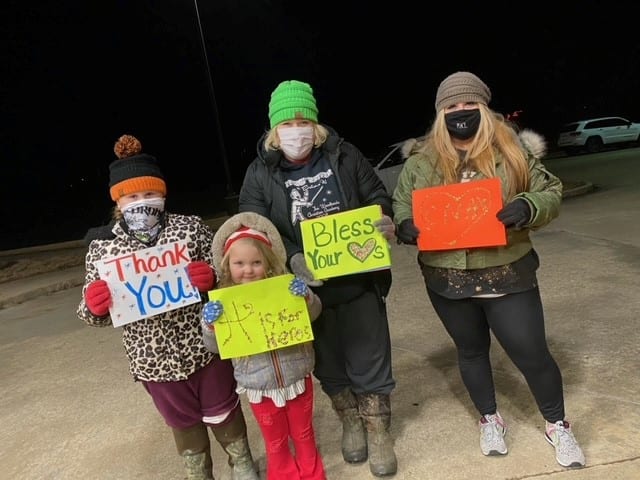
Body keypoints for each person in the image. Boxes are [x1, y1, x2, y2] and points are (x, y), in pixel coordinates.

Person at [392, 71, 586, 468]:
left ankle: (557, 424)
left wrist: (529, 205)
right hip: (446, 278)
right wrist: (404, 224)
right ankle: (489, 418)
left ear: (483, 108)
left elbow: (549, 190)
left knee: (531, 352)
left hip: (505, 271)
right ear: (440, 113)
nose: (460, 111)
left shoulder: (511, 152)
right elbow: (402, 202)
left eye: (469, 104)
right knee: (471, 351)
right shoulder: (421, 162)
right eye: (451, 106)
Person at [238, 79, 398, 478]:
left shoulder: (345, 155)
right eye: (287, 124)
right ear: (274, 130)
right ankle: (350, 421)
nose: (296, 131)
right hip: (306, 292)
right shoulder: (258, 173)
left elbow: (377, 195)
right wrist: (291, 257)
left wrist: (382, 218)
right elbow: (254, 227)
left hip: (359, 280)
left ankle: (378, 430)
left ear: (315, 125)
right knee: (327, 362)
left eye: (302, 122)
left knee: (370, 356)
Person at [76, 134, 259, 480]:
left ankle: (242, 462)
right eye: (132, 197)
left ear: (162, 194)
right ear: (118, 201)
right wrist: (94, 305)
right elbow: (89, 313)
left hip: (205, 345)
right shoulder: (102, 248)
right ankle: (198, 472)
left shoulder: (190, 228)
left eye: (150, 194)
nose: (142, 203)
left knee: (223, 408)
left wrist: (211, 279)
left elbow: (227, 275)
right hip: (152, 359)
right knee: (182, 421)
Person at [201, 211, 326, 480]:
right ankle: (283, 475)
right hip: (259, 386)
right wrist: (210, 325)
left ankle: (313, 474)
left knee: (304, 434)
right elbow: (214, 347)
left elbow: (314, 313)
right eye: (239, 263)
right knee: (275, 441)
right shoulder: (222, 303)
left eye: (256, 262)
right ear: (227, 265)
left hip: (297, 377)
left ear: (268, 262)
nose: (248, 270)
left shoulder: (285, 288)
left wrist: (306, 297)